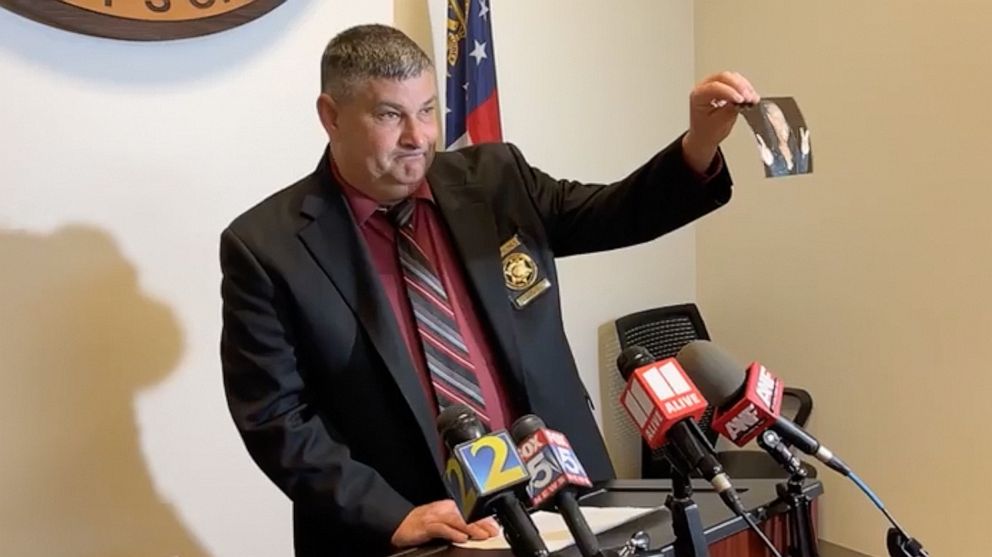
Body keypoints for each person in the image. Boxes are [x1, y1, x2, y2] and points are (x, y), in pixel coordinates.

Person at [220, 23, 759, 557]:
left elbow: (613, 214)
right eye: (390, 115)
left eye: (428, 110)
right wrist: (391, 515)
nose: (418, 137)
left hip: (564, 501)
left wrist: (699, 145)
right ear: (331, 116)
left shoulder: (495, 178)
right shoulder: (268, 246)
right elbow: (275, 417)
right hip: (419, 527)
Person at [754, 100, 811, 177]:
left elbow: (802, 175)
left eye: (780, 113)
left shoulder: (793, 139)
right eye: (776, 115)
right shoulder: (767, 147)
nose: (781, 118)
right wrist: (772, 163)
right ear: (769, 118)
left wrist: (804, 154)